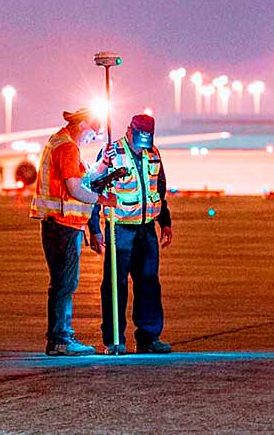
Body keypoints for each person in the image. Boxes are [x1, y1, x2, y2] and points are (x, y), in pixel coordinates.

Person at [30, 108, 116, 356]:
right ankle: (60, 339)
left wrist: (102, 165)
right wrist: (102, 200)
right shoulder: (67, 148)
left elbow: (83, 176)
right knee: (65, 283)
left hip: (60, 224)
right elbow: (76, 188)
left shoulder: (60, 142)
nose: (91, 140)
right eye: (92, 134)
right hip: (63, 225)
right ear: (82, 126)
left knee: (61, 283)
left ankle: (60, 336)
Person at [89, 113, 173, 355]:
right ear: (129, 130)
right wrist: (94, 228)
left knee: (149, 283)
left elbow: (160, 189)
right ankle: (114, 339)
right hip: (120, 228)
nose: (141, 145)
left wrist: (164, 222)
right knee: (115, 285)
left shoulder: (153, 153)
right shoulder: (112, 153)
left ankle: (148, 336)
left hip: (146, 228)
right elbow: (96, 190)